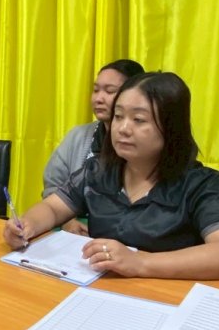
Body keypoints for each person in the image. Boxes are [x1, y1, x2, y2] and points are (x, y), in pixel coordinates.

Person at [4, 72, 219, 280]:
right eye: (118, 116)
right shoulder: (98, 171)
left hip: (166, 299)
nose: (123, 128)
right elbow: (52, 208)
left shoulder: (204, 185)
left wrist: (140, 263)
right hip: (98, 290)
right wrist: (27, 225)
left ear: (171, 128)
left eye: (138, 119)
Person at [43, 59, 145, 234]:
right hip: (75, 231)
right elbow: (53, 186)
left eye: (110, 91)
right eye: (96, 90)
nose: (98, 98)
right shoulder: (78, 136)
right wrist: (68, 221)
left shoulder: (144, 144)